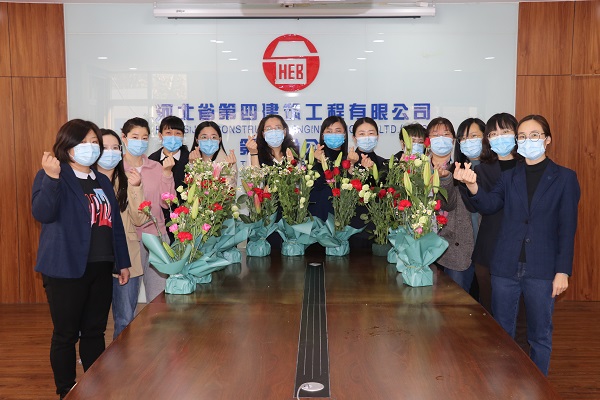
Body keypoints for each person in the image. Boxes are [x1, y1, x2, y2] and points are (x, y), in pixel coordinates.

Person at [454, 114, 580, 376]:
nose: (527, 140)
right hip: (505, 266)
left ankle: (538, 384)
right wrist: (473, 185)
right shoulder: (510, 176)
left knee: (539, 335)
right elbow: (490, 204)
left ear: (547, 140)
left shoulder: (565, 178)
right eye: (522, 136)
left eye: (534, 135)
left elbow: (567, 229)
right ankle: (503, 383)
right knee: (501, 331)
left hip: (542, 269)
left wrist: (562, 271)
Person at [31, 119, 130, 399]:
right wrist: (51, 179)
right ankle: (66, 390)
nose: (91, 147)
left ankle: (95, 386)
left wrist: (122, 261)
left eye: (94, 142)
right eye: (83, 142)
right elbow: (42, 213)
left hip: (101, 266)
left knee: (94, 331)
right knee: (66, 334)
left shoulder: (102, 180)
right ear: (67, 146)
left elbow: (114, 225)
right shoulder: (53, 175)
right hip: (65, 268)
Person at [97, 129, 148, 339]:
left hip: (126, 258)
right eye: (104, 148)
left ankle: (122, 357)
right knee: (93, 320)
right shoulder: (86, 182)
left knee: (125, 319)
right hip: (95, 259)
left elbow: (140, 219)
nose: (110, 152)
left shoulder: (129, 180)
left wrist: (136, 188)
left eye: (115, 148)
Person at [470, 113, 521, 313]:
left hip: (522, 251)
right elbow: (484, 205)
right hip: (489, 249)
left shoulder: (528, 166)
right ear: (487, 140)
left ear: (517, 134)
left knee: (519, 313)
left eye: (505, 131)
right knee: (489, 310)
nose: (500, 137)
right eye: (493, 133)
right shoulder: (481, 170)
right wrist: (471, 187)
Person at [121, 117, 175, 303]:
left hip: (156, 237)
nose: (140, 142)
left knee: (158, 298)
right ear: (124, 138)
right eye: (135, 137)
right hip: (129, 239)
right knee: (127, 300)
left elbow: (167, 203)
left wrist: (167, 174)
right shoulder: (118, 168)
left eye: (144, 138)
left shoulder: (156, 166)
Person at [428, 117, 475, 292]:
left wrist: (446, 178)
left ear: (454, 140)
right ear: (427, 140)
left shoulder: (464, 168)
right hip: (423, 245)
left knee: (456, 300)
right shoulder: (416, 168)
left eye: (446, 134)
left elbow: (449, 204)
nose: (441, 139)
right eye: (435, 134)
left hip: (456, 248)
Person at [347, 117, 388, 248]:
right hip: (353, 229)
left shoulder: (384, 163)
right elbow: (344, 193)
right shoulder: (347, 163)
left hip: (379, 230)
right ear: (354, 138)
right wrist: (355, 168)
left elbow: (384, 194)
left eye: (371, 133)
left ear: (378, 136)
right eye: (362, 134)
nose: (367, 137)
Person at [309, 116, 349, 221]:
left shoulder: (348, 160)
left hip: (343, 215)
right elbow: (312, 187)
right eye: (329, 131)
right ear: (323, 136)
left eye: (338, 131)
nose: (333, 134)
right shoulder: (312, 157)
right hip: (318, 216)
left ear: (344, 135)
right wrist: (317, 162)